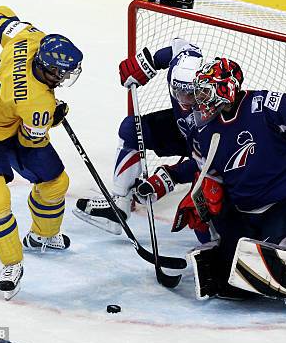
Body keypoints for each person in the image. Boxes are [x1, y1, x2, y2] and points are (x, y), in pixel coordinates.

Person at [133, 57, 286, 298]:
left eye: (204, 93)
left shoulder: (267, 106)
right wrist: (200, 195)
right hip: (244, 210)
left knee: (282, 257)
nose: (198, 100)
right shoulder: (202, 130)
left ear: (225, 90)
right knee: (230, 272)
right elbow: (207, 171)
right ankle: (227, 250)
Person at [0, 7, 82, 300]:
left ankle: (42, 235)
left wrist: (9, 22)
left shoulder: (29, 37)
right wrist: (52, 119)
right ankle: (12, 263)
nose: (64, 78)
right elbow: (31, 142)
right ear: (48, 69)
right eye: (62, 73)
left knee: (55, 182)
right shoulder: (38, 104)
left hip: (8, 124)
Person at [74, 38, 201, 236]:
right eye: (178, 93)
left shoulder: (211, 106)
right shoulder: (183, 65)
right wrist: (149, 62)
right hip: (183, 130)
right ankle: (119, 206)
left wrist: (171, 176)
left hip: (208, 144)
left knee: (203, 223)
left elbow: (212, 161)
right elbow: (181, 47)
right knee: (130, 129)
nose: (183, 99)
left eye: (190, 95)